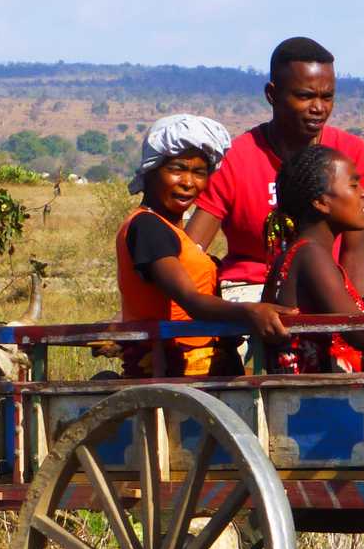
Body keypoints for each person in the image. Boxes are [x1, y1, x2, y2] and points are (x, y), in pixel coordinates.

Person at [187, 37, 364, 301]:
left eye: (327, 97)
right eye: (305, 96)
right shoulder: (236, 158)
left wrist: (361, 314)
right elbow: (192, 252)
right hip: (248, 292)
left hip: (327, 289)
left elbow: (354, 253)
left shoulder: (350, 153)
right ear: (272, 95)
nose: (318, 108)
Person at [117, 114, 292, 376]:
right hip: (172, 367)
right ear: (151, 169)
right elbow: (191, 301)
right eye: (177, 169)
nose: (188, 183)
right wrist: (250, 311)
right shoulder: (148, 227)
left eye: (199, 173)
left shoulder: (175, 233)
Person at [259, 145, 364, 373]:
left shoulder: (302, 253)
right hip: (316, 396)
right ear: (321, 202)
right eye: (354, 185)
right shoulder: (310, 254)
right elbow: (360, 334)